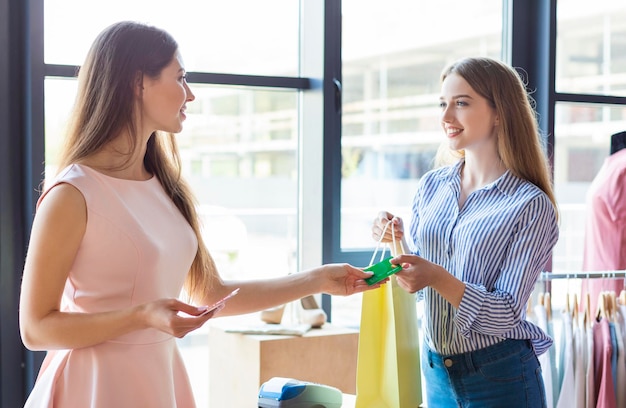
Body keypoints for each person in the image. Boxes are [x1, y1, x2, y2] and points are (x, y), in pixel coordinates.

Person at [19, 21, 381, 408]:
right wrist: (142, 316)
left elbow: (212, 293)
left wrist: (317, 279)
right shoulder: (73, 194)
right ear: (137, 83)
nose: (189, 94)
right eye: (180, 77)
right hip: (91, 388)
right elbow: (36, 328)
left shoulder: (165, 187)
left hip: (157, 379)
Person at [372, 57, 560, 407]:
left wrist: (436, 277)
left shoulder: (530, 204)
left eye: (461, 103)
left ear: (500, 111)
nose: (446, 118)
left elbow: (505, 311)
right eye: (443, 104)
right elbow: (426, 284)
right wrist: (397, 238)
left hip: (500, 375)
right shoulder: (431, 186)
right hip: (436, 370)